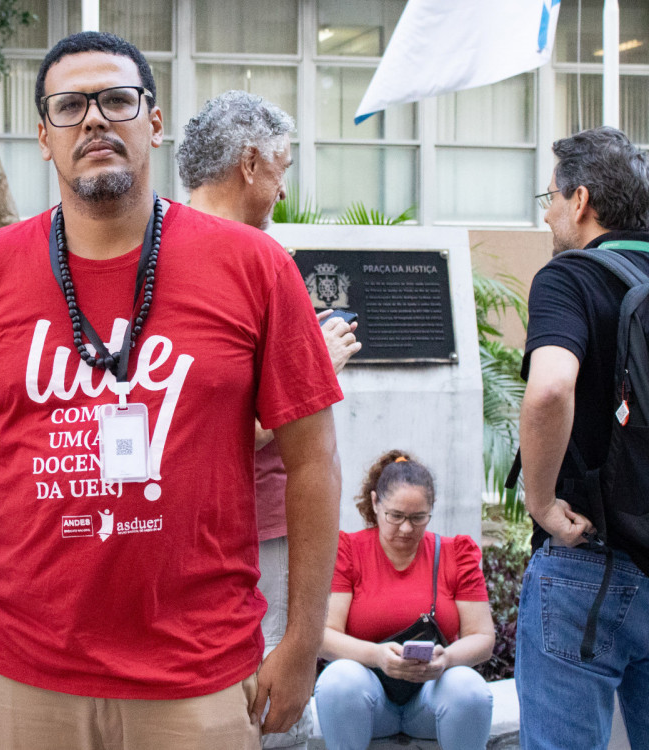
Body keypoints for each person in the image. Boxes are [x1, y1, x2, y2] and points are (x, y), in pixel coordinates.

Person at [0, 31, 344, 750]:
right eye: (70, 106)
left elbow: (314, 460)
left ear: (155, 122)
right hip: (26, 675)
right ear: (44, 136)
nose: (95, 120)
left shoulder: (254, 267)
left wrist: (302, 640)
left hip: (198, 672)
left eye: (117, 99)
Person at [177, 89, 361, 749]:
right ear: (251, 163)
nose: (283, 190)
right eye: (283, 167)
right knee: (273, 688)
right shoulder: (257, 259)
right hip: (255, 524)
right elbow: (209, 429)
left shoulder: (149, 255)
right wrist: (320, 372)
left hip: (182, 531)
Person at [515, 126, 649, 749]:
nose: (545, 213)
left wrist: (541, 503)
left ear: (581, 200)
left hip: (586, 564)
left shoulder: (570, 276)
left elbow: (548, 389)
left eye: (548, 197)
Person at [315, 450, 495, 750]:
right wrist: (377, 656)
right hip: (370, 700)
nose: (407, 528)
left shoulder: (456, 553)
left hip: (431, 698)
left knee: (468, 688)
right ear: (375, 503)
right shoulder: (349, 550)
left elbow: (483, 638)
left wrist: (446, 658)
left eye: (418, 517)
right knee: (339, 681)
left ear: (431, 510)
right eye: (395, 516)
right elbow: (323, 636)